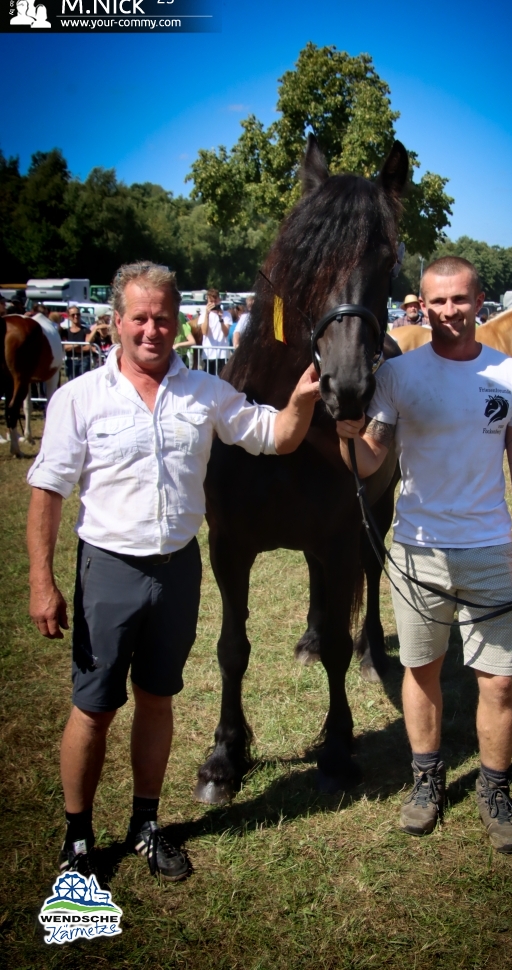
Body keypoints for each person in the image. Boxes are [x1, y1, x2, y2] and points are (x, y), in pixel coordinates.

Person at [26, 262, 320, 883]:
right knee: (93, 708)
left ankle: (146, 823)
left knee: (157, 701)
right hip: (108, 570)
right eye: (139, 318)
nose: (152, 330)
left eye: (163, 318)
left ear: (176, 322)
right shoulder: (79, 397)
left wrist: (301, 399)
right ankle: (78, 837)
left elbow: (274, 436)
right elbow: (48, 492)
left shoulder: (205, 392)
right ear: (116, 322)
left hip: (178, 572)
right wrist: (41, 581)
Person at [336, 256, 512, 852]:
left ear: (479, 301)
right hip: (418, 552)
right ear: (422, 304)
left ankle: (495, 789)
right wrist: (345, 433)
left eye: (460, 299)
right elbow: (372, 458)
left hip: (490, 549)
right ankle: (427, 781)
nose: (449, 311)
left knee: (500, 683)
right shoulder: (397, 375)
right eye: (437, 301)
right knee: (421, 671)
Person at [198, 288, 229, 376]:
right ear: (207, 301)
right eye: (211, 301)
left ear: (219, 300)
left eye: (215, 301)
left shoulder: (227, 315)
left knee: (222, 380)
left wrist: (221, 319)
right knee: (208, 380)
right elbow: (204, 332)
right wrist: (207, 314)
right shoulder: (203, 315)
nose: (213, 304)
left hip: (222, 354)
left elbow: (226, 333)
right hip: (209, 354)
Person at [62, 307, 92, 380]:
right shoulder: (65, 332)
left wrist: (72, 346)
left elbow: (87, 347)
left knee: (84, 383)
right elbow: (65, 348)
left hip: (84, 360)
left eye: (78, 314)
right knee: (71, 383)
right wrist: (79, 344)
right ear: (69, 316)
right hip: (70, 361)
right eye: (73, 315)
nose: (76, 316)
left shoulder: (86, 330)